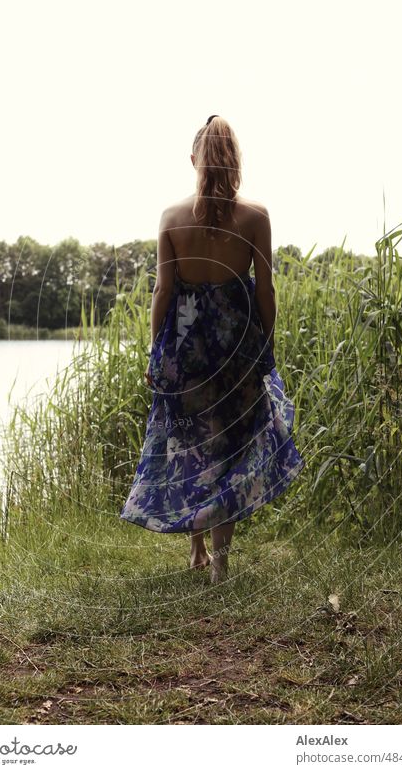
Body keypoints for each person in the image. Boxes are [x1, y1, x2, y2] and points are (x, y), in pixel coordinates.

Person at [119, 115, 305, 583]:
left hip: (185, 347)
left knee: (188, 441)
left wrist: (153, 353)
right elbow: (267, 291)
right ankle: (219, 563)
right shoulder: (256, 216)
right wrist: (268, 345)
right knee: (231, 447)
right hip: (236, 346)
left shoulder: (170, 218)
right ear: (236, 160)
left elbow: (163, 292)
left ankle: (196, 550)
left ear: (194, 161)